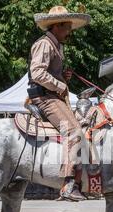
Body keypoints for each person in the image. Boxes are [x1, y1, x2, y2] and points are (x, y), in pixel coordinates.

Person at [28, 6, 91, 201]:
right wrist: (58, 84)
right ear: (56, 26)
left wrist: (63, 78)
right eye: (67, 28)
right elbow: (37, 72)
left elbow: (49, 74)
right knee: (73, 133)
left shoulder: (55, 46)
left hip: (52, 96)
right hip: (45, 98)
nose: (69, 32)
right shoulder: (45, 44)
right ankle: (68, 185)